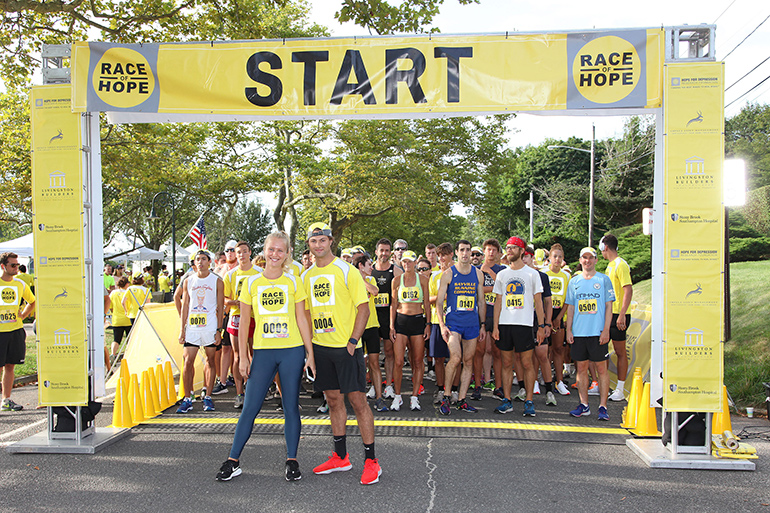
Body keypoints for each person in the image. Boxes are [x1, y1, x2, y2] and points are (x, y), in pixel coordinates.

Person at [215, 232, 315, 482]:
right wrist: (243, 357)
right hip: (263, 352)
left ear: (287, 254)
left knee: (290, 406)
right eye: (271, 249)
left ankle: (292, 460)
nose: (275, 254)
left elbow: (302, 319)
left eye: (281, 251)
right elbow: (244, 320)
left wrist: (309, 353)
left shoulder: (294, 281)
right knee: (250, 407)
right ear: (264, 249)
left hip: (291, 350)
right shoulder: (252, 283)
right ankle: (233, 460)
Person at [303, 222, 381, 485]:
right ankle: (341, 457)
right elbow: (305, 313)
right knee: (334, 401)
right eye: (313, 242)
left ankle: (372, 461)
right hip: (321, 348)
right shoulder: (307, 276)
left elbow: (363, 308)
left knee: (358, 403)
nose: (318, 245)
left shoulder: (347, 270)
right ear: (309, 245)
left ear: (330, 241)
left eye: (322, 240)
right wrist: (310, 350)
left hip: (347, 349)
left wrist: (352, 341)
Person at [491, 237, 544, 416]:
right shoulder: (502, 274)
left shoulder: (532, 274)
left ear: (522, 251)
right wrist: (496, 326)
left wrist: (542, 326)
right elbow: (498, 301)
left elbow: (539, 302)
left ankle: (529, 401)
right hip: (505, 324)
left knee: (527, 363)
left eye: (513, 248)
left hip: (525, 324)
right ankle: (507, 400)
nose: (509, 250)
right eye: (507, 248)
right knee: (507, 363)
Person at [435, 240, 486, 415]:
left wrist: (483, 325)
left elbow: (481, 301)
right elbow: (439, 303)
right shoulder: (448, 274)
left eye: (468, 250)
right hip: (453, 324)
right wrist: (442, 326)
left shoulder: (478, 274)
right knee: (455, 358)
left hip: (471, 324)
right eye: (462, 250)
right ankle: (447, 397)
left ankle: (462, 399)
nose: (465, 253)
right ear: (456, 252)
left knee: (469, 361)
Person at [565, 247, 615, 421]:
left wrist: (606, 330)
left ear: (596, 260)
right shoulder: (574, 281)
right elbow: (570, 307)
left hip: (597, 333)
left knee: (601, 369)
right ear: (580, 260)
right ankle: (584, 404)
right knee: (581, 369)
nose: (587, 261)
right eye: (584, 258)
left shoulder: (604, 280)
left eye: (591, 258)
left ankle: (603, 406)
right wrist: (568, 330)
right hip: (579, 333)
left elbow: (609, 307)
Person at [176, 250, 225, 413]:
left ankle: (208, 396)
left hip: (210, 326)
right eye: (197, 259)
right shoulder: (188, 281)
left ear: (209, 262)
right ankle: (188, 397)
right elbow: (185, 306)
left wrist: (219, 329)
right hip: (193, 327)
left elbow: (220, 307)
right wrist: (182, 329)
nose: (200, 262)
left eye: (203, 259)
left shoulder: (217, 281)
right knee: (188, 360)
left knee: (211, 360)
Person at [389, 250, 431, 412]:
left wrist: (428, 323)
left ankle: (414, 397)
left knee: (418, 361)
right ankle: (398, 396)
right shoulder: (396, 281)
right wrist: (391, 326)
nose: (407, 264)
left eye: (410, 262)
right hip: (401, 321)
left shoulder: (423, 280)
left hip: (417, 321)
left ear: (415, 262)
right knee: (399, 361)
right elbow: (393, 304)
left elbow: (426, 303)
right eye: (404, 262)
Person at [219, 241, 260, 407]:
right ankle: (239, 392)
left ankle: (255, 390)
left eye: (244, 251)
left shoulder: (259, 273)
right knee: (237, 355)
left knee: (255, 354)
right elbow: (224, 298)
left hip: (255, 317)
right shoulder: (230, 275)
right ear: (235, 255)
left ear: (250, 252)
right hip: (236, 317)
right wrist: (235, 302)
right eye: (238, 252)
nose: (242, 255)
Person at [599, 233, 634, 402]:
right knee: (603, 350)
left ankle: (620, 387)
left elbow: (628, 289)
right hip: (608, 313)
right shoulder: (610, 265)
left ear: (605, 247)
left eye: (602, 250)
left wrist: (621, 315)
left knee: (620, 351)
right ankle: (602, 383)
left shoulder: (621, 265)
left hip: (619, 314)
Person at [0, 252, 35, 411]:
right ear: (3, 266)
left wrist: (24, 314)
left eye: (17, 264)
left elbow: (33, 301)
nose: (16, 267)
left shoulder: (20, 284)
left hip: (15, 330)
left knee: (10, 366)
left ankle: (6, 400)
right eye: (12, 265)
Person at [471, 238, 506, 401]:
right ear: (484, 251)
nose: (490, 252)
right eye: (488, 249)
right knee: (479, 351)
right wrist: (492, 288)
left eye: (494, 250)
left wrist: (490, 274)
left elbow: (505, 288)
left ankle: (498, 387)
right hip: (480, 316)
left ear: (499, 253)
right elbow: (474, 291)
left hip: (498, 315)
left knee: (497, 352)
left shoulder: (502, 269)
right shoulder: (475, 269)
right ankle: (478, 385)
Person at [354, 253, 388, 412]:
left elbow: (374, 291)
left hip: (372, 327)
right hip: (356, 329)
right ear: (361, 266)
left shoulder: (370, 279)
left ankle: (379, 399)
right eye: (369, 265)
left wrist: (361, 280)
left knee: (374, 364)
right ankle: (357, 399)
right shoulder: (349, 281)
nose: (372, 268)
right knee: (356, 365)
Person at [370, 238, 402, 400]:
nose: (384, 254)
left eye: (387, 251)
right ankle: (374, 385)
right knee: (372, 354)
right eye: (381, 250)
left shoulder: (396, 271)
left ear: (391, 253)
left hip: (389, 318)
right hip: (372, 318)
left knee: (389, 352)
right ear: (376, 252)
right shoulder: (369, 271)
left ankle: (388, 385)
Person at [545, 243, 572, 396]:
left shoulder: (566, 276)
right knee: (543, 350)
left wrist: (560, 317)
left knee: (558, 349)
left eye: (560, 257)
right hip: (544, 315)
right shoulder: (543, 274)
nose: (557, 259)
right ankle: (541, 378)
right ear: (549, 258)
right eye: (554, 256)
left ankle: (559, 381)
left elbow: (568, 299)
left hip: (558, 315)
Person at [428, 243, 453, 405]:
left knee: (455, 358)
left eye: (445, 255)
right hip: (437, 321)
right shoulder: (434, 276)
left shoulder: (458, 275)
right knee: (438, 358)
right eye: (440, 255)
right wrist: (442, 297)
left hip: (455, 321)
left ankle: (454, 390)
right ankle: (441, 388)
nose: (442, 258)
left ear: (452, 255)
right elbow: (429, 299)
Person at [108, 277, 131, 357]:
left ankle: (113, 354)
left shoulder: (113, 293)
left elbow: (110, 306)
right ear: (127, 284)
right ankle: (128, 355)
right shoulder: (129, 292)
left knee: (116, 339)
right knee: (130, 339)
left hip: (116, 319)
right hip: (128, 319)